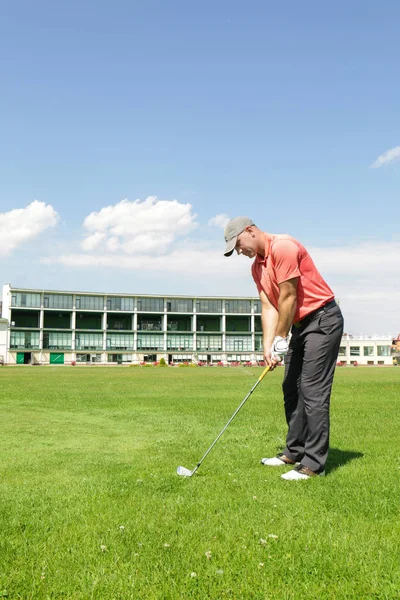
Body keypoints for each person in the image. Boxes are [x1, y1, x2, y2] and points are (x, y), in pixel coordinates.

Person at [224, 216, 344, 480]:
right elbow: (268, 305)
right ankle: (294, 450)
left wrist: (281, 337)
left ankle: (313, 464)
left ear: (250, 231)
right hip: (300, 325)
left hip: (322, 319)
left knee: (313, 390)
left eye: (239, 244)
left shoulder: (284, 247)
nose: (239, 251)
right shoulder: (257, 267)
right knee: (291, 386)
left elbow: (289, 295)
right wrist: (268, 346)